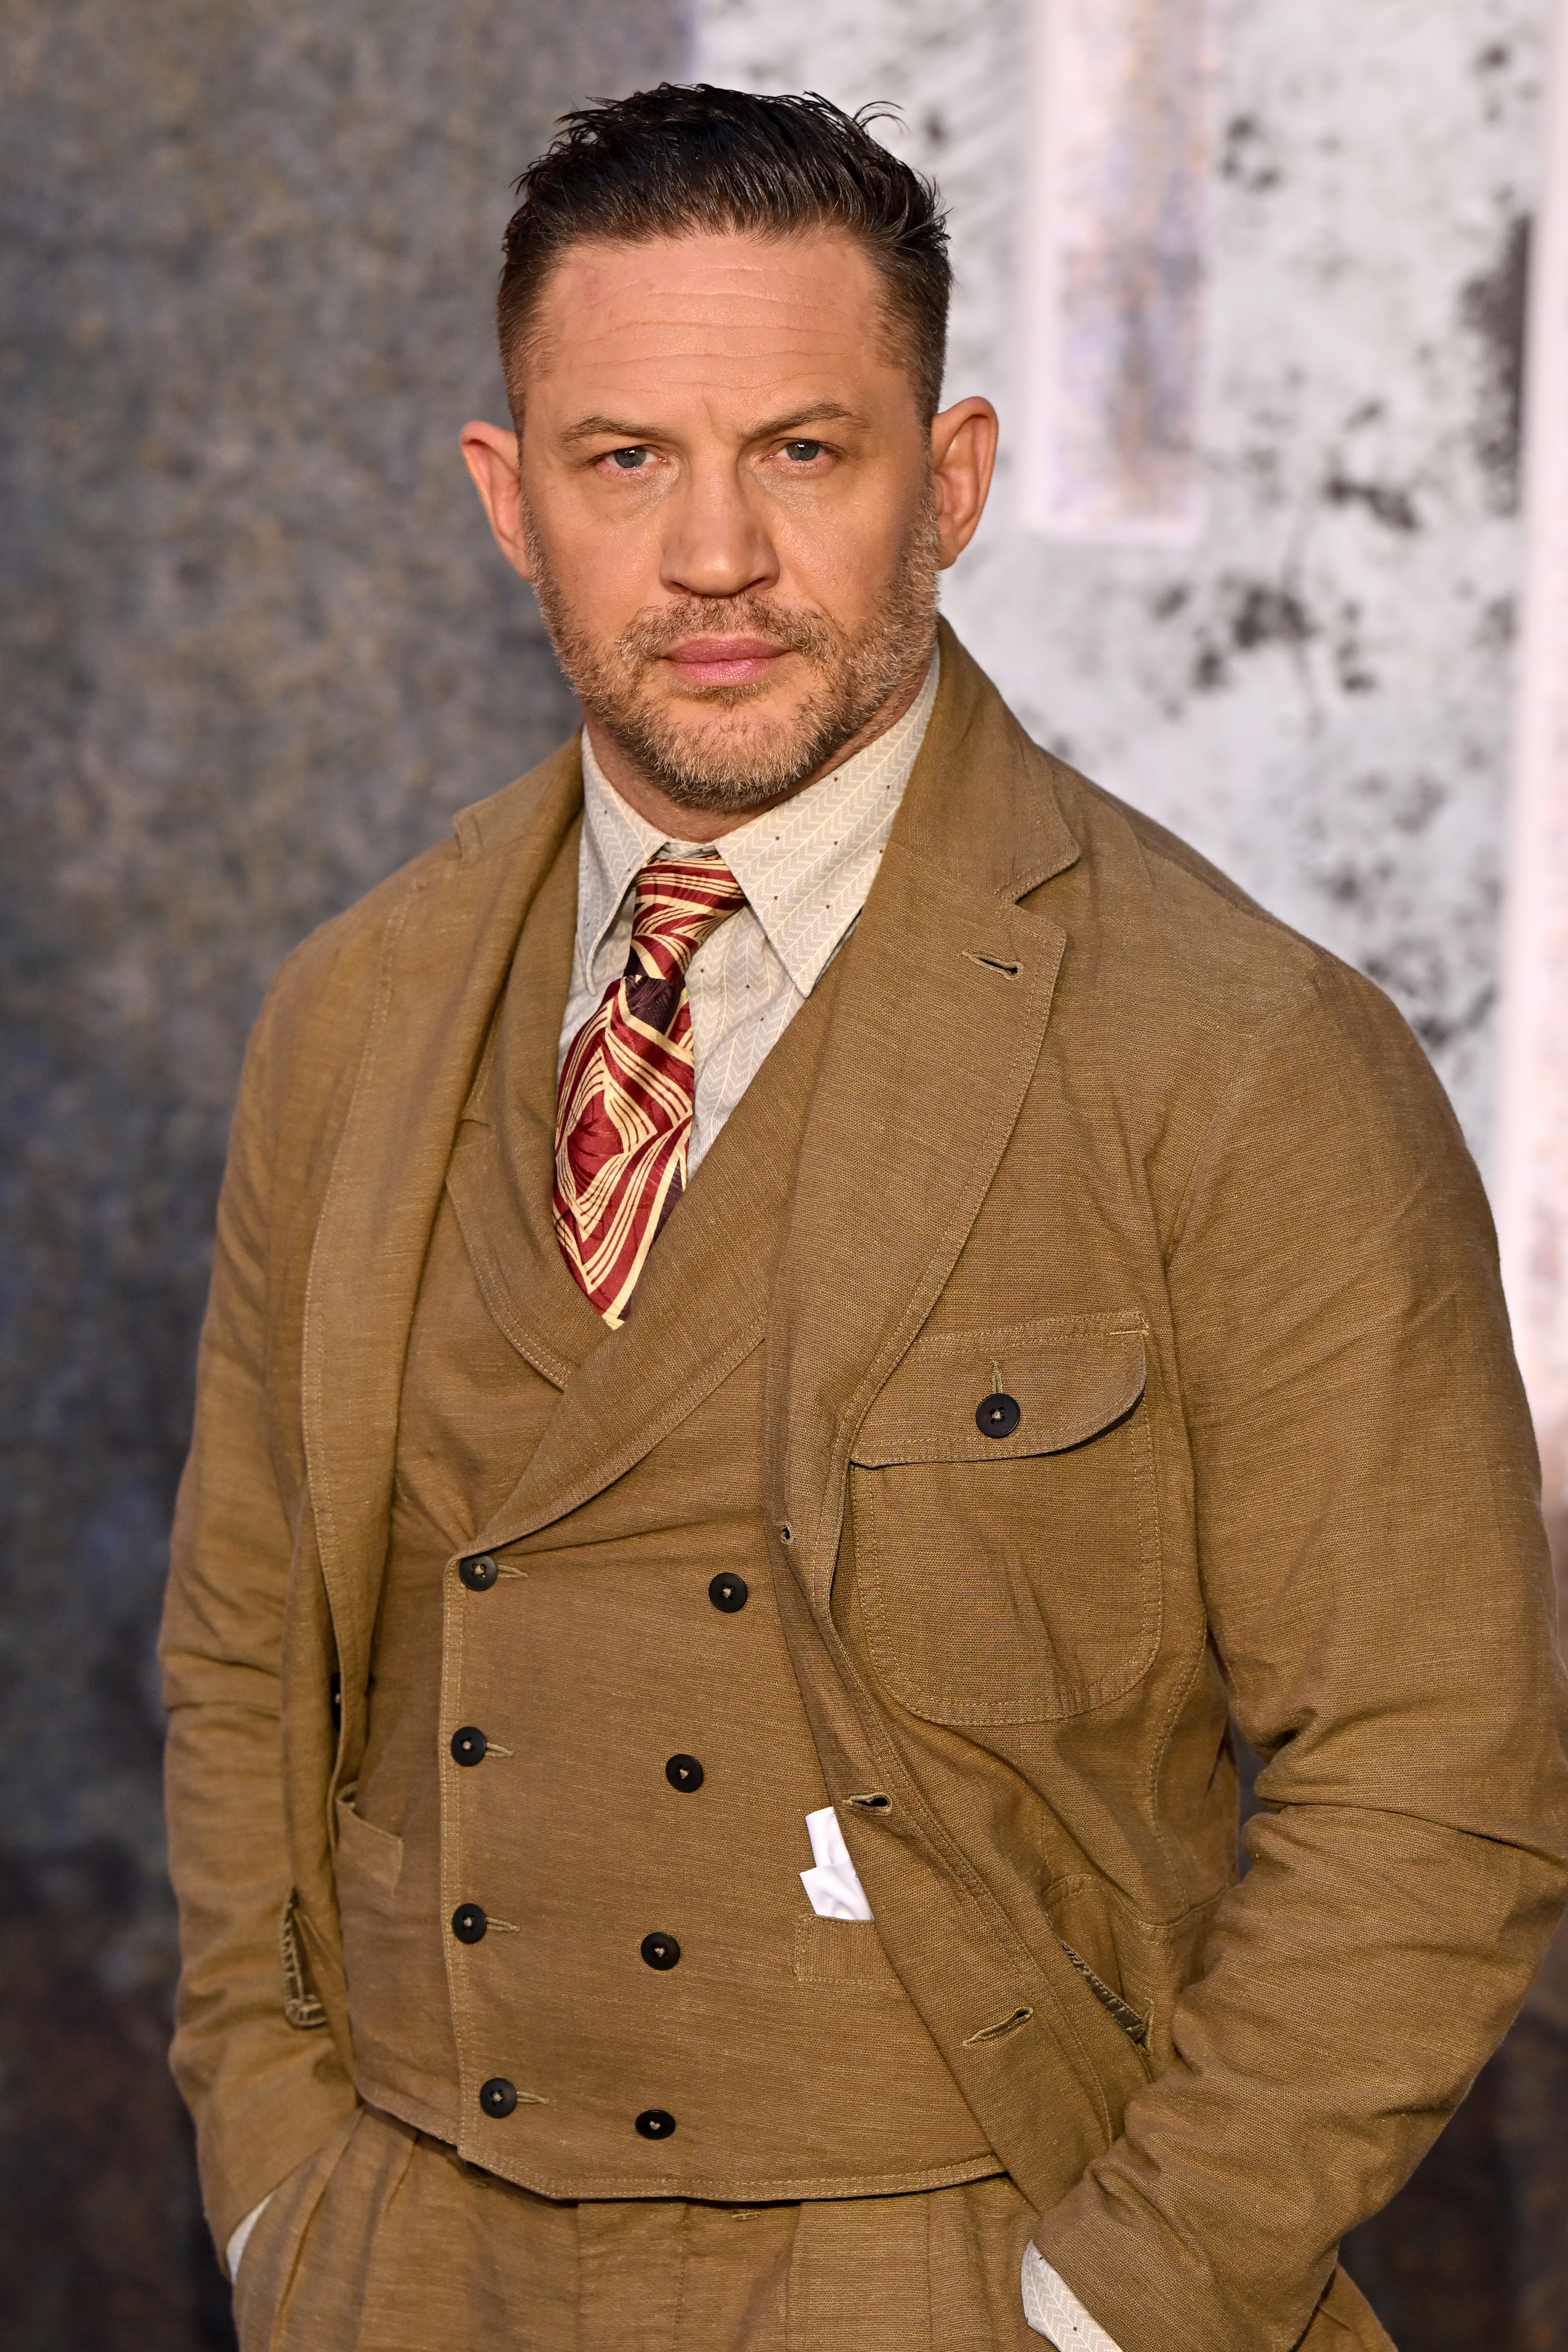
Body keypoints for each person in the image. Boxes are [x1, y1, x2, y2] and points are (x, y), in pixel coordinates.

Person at [160, 83, 1568, 2352]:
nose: (715, 557)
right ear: (509, 507)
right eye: (627, 461)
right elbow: (245, 1664)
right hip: (410, 2263)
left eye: (805, 451)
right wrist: (282, 2200)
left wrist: (1105, 2305)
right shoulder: (354, 1016)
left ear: (958, 480)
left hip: (957, 2266)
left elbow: (1441, 1782)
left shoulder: (1242, 1050)